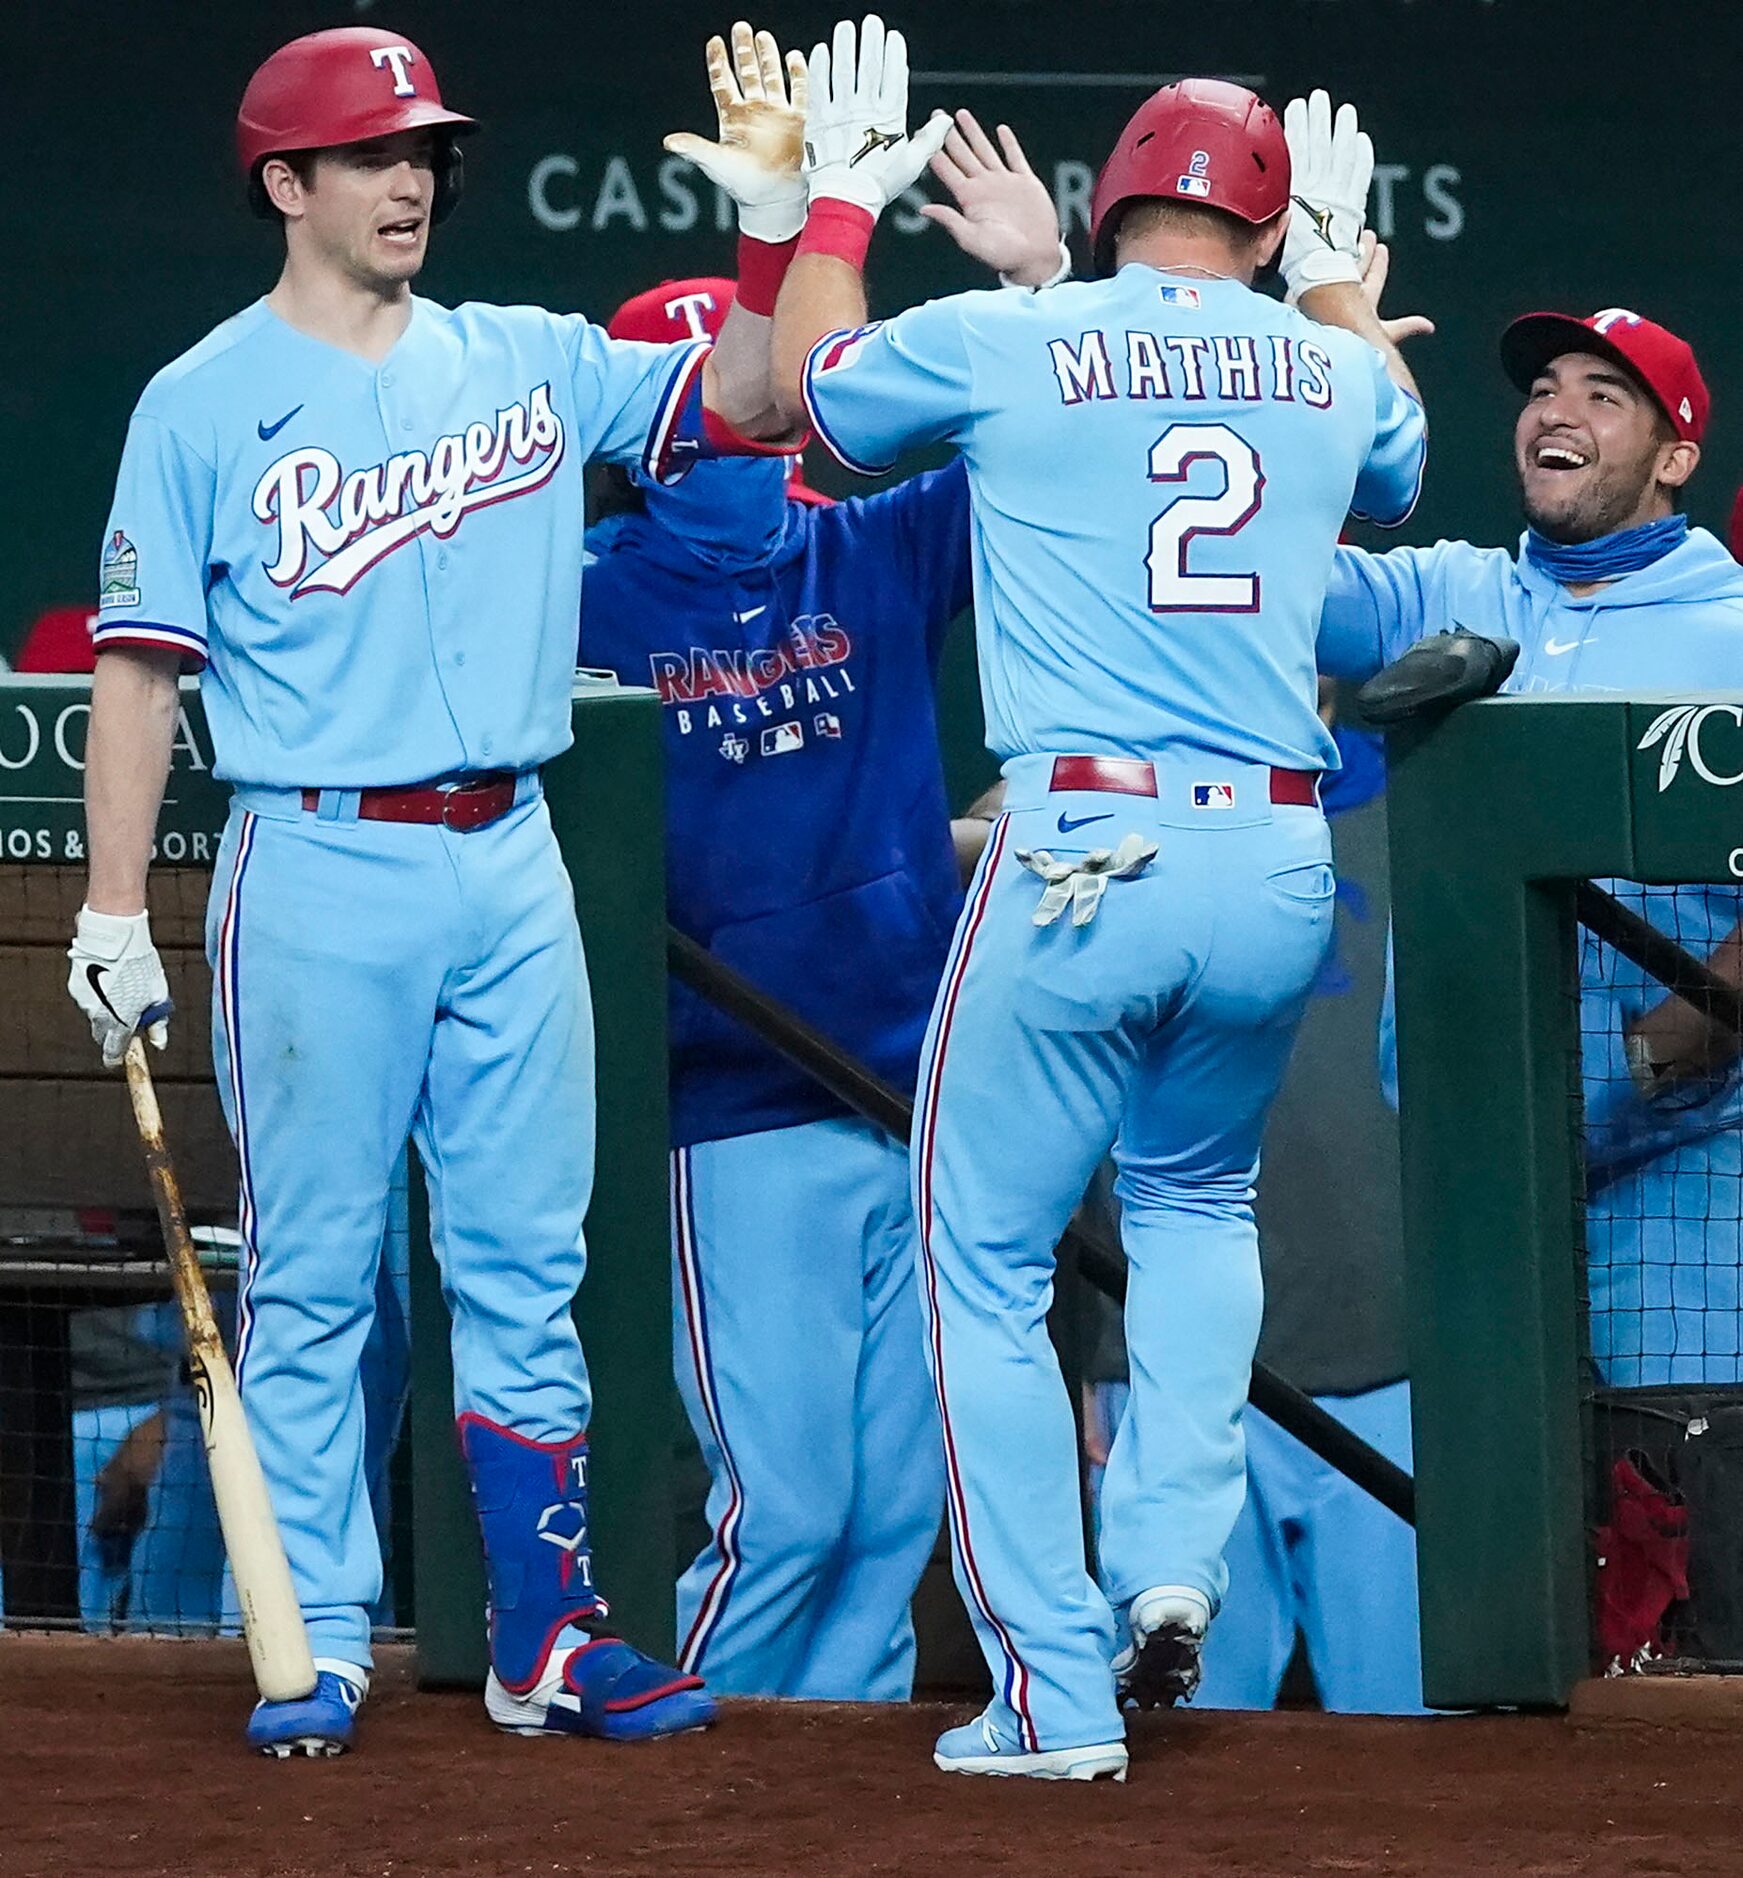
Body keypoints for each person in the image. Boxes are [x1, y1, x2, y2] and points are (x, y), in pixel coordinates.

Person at [67, 19, 834, 1757]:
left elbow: (757, 395)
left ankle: (543, 1634)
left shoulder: (524, 357)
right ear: (287, 181)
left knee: (523, 1256)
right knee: (318, 1268)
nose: (410, 178)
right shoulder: (198, 400)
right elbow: (136, 668)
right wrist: (114, 900)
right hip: (315, 848)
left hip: (508, 849)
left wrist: (777, 231)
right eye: (372, 154)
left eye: (424, 153)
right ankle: (318, 1634)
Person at [772, 41, 1426, 1780]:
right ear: (1265, 219)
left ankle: (1051, 1695)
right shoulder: (1326, 364)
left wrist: (832, 193)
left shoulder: (1017, 332)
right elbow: (1398, 473)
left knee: (981, 1262)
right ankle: (1166, 1561)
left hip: (1084, 852)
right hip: (1272, 861)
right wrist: (1339, 281)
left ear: (1110, 196)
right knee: (1200, 1198)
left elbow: (812, 395)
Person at [580, 118, 1066, 1702]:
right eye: (728, 405)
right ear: (662, 427)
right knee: (780, 1511)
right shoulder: (576, 590)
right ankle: (670, 1784)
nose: (762, 424)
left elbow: (1032, 444)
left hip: (912, 1090)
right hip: (730, 1109)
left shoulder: (865, 543)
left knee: (892, 1518)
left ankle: (820, 1814)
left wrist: (1046, 282)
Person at [1322, 306, 1743, 1389]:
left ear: (1675, 457)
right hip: (1481, 1152)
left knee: (1681, 1485)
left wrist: (1670, 1044)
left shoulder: (1732, 628)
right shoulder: (1453, 591)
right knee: (1507, 1516)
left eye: (1605, 396)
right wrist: (1336, 334)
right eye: (1544, 389)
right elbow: (1265, 584)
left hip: (1683, 1166)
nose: (1556, 410)